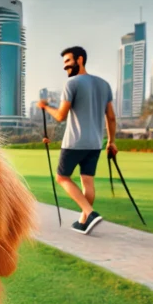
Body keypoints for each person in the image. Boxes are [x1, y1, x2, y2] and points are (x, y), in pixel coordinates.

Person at [38, 46, 117, 234]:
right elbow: (111, 117)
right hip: (95, 143)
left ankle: (89, 213)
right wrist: (111, 141)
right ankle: (83, 221)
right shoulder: (104, 85)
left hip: (75, 142)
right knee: (87, 182)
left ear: (79, 60)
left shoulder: (72, 84)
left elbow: (60, 116)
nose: (65, 66)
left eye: (68, 61)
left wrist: (45, 107)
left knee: (62, 177)